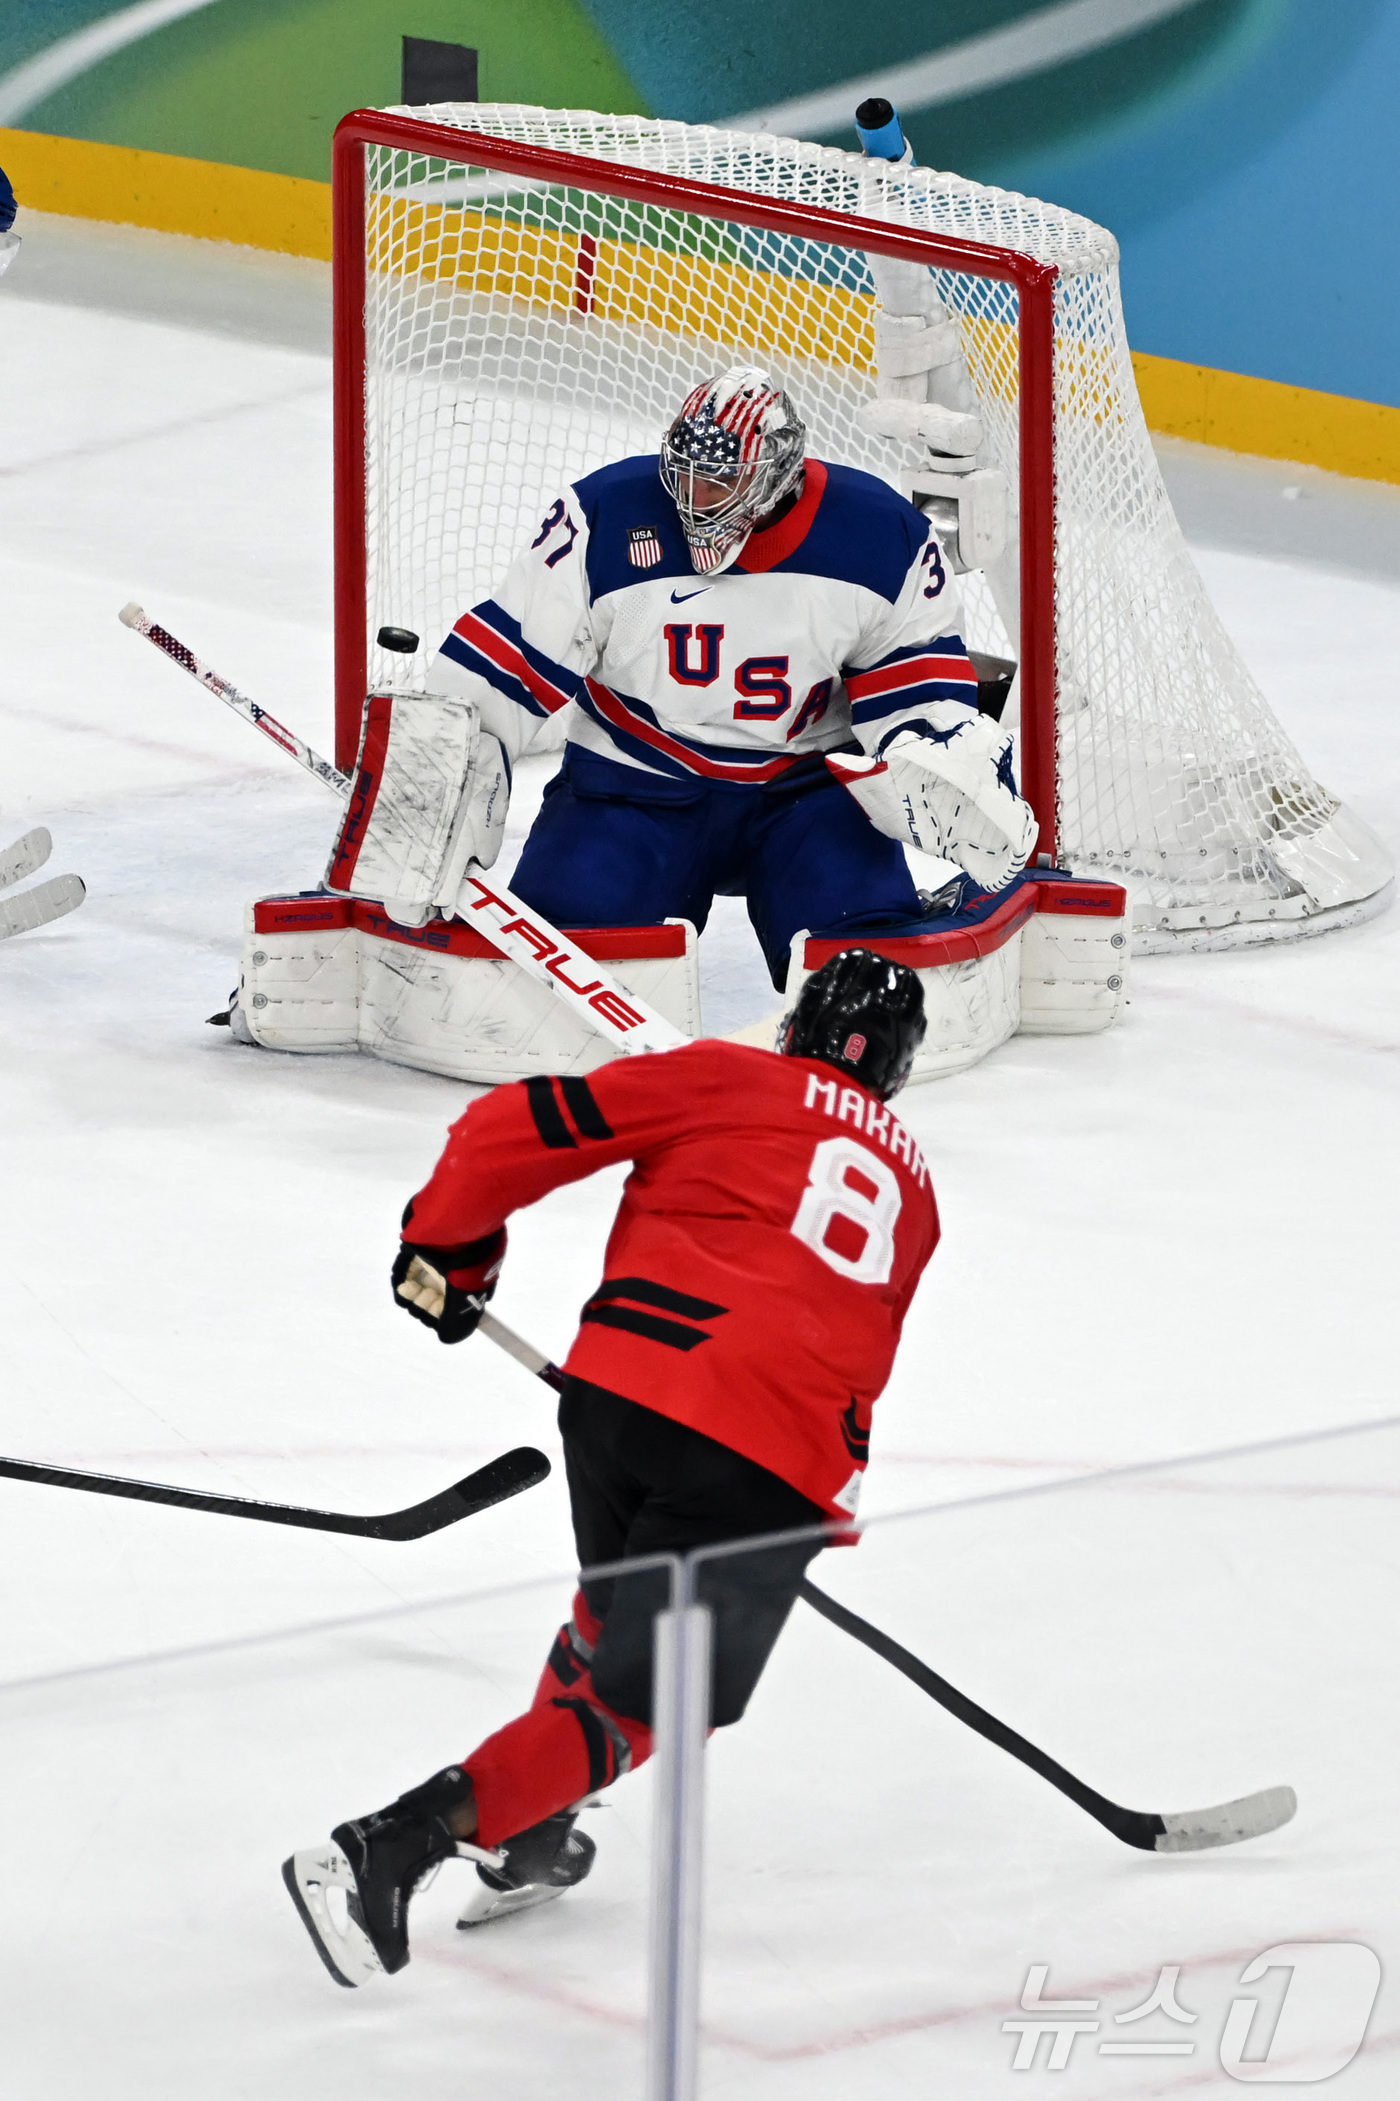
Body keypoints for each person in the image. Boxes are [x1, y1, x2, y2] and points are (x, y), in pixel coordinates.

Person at [284, 948, 940, 1986]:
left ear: (791, 1026)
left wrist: (451, 1256)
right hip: (764, 1458)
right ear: (898, 1073)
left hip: (619, 1396)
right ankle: (392, 1845)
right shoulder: (912, 1186)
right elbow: (834, 1343)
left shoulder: (728, 1074)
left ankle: (528, 1832)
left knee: (608, 1629)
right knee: (646, 1704)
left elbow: (503, 1131)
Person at [421, 364, 1036, 990]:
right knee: (560, 961)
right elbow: (507, 661)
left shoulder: (881, 535)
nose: (691, 495)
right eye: (683, 472)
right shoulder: (602, 515)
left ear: (776, 475)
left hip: (809, 792)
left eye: (716, 481)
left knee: (866, 976)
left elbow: (916, 680)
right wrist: (436, 788)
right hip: (633, 783)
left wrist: (938, 762)